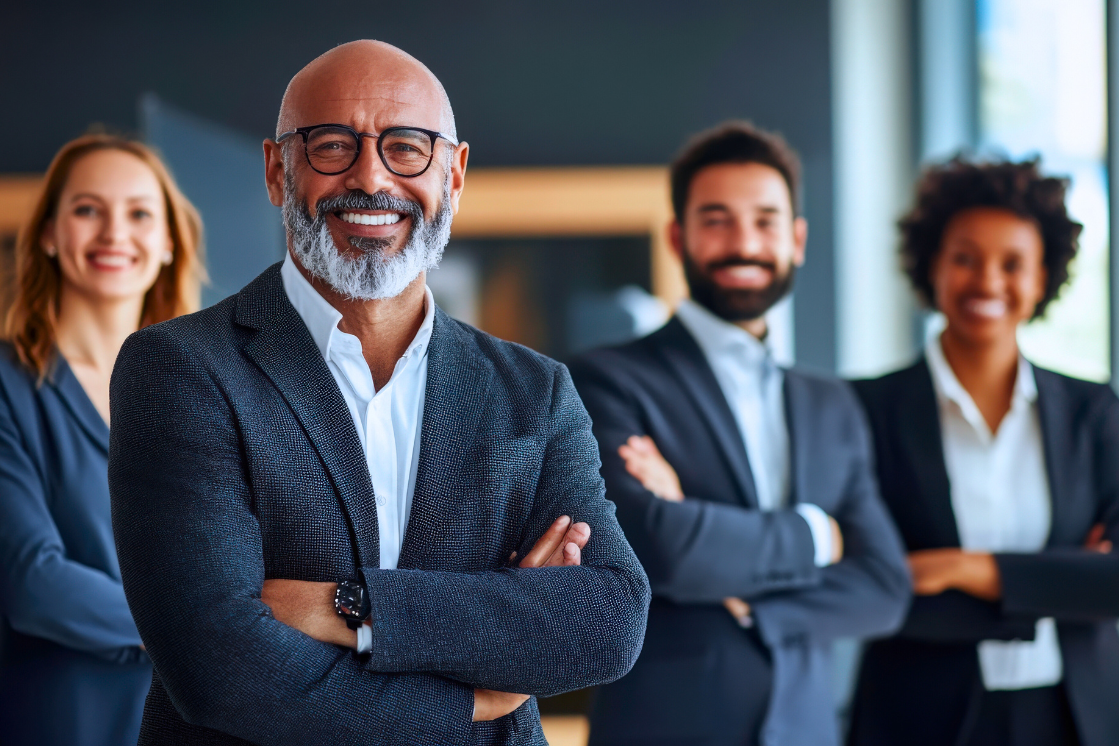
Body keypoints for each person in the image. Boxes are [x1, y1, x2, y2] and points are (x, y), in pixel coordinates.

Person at [108, 40, 650, 745]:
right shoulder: (179, 369)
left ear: (454, 174)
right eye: (331, 145)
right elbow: (220, 670)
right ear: (278, 171)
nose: (370, 177)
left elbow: (606, 621)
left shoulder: (534, 392)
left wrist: (353, 607)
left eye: (407, 147)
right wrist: (477, 696)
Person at [569, 122, 910, 746]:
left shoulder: (831, 403)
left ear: (798, 239)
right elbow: (662, 551)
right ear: (679, 236)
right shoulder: (604, 381)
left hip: (806, 729)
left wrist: (748, 595)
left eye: (766, 221)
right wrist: (817, 534)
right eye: (717, 219)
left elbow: (884, 587)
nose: (744, 242)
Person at [846, 157, 1119, 746]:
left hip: (1078, 716)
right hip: (916, 720)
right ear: (932, 268)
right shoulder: (865, 410)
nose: (988, 281)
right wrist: (1064, 580)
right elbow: (872, 584)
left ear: (1043, 277)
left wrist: (962, 568)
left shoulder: (1094, 411)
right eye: (965, 258)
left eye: (1012, 263)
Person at [0, 134, 204, 746]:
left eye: (140, 213)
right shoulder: (10, 387)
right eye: (88, 209)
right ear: (48, 234)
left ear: (169, 242)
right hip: (63, 721)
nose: (115, 232)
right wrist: (201, 622)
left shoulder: (203, 393)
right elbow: (32, 581)